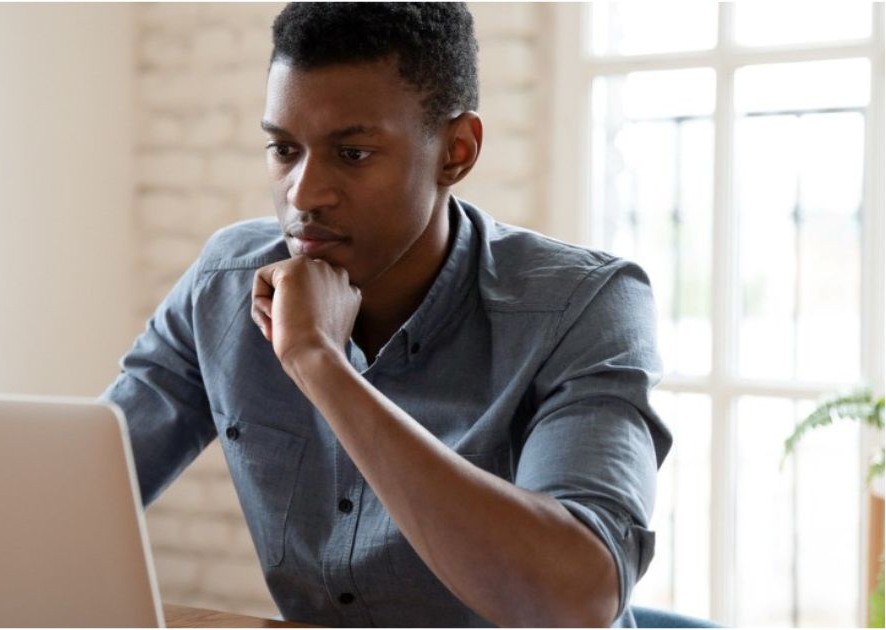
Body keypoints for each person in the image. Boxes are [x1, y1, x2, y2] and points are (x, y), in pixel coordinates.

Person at [102, 3, 671, 627]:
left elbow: (575, 599)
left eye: (352, 154)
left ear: (456, 151)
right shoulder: (224, 286)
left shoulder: (585, 306)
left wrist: (319, 364)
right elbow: (73, 491)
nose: (303, 194)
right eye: (284, 149)